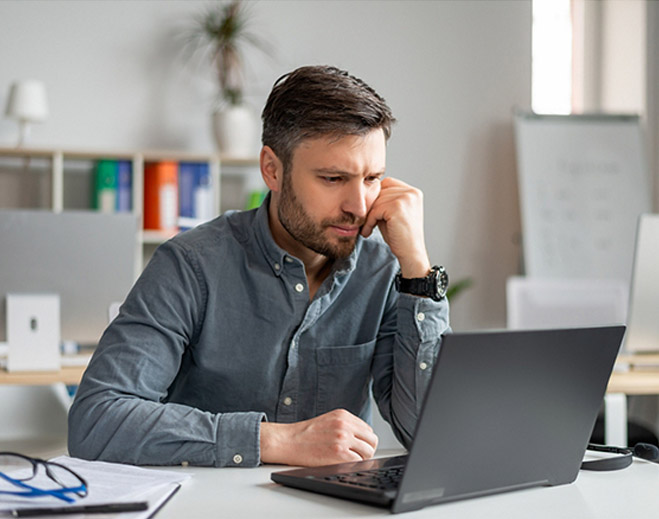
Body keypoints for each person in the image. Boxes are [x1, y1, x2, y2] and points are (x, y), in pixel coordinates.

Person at [68, 65, 450, 468]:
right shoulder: (191, 264)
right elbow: (97, 420)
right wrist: (274, 440)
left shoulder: (387, 272)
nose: (358, 207)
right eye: (333, 178)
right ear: (272, 169)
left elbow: (430, 436)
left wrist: (419, 273)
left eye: (373, 178)